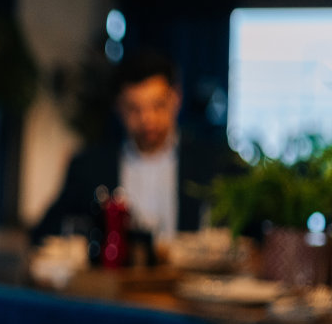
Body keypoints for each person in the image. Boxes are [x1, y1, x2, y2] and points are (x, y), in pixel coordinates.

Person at [32, 48, 243, 243]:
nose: (147, 119)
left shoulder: (215, 163)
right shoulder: (89, 167)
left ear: (176, 98)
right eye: (134, 109)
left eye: (158, 105)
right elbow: (46, 233)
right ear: (118, 107)